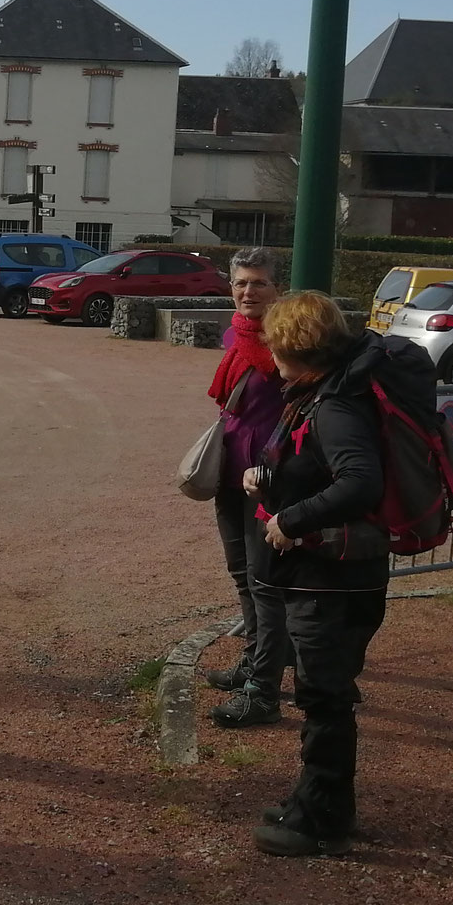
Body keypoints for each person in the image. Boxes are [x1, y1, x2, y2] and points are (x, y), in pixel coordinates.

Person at [244, 292, 390, 857]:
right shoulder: (322, 394)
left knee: (325, 695)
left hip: (332, 581)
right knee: (321, 691)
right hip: (325, 577)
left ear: (293, 347)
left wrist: (289, 517)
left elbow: (359, 482)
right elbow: (324, 471)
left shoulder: (334, 405)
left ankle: (321, 817)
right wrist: (274, 483)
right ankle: (317, 801)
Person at [202, 248, 290, 728]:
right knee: (243, 574)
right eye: (240, 283)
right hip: (231, 473)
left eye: (258, 283)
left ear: (278, 289)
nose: (247, 292)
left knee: (266, 584)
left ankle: (264, 690)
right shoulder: (236, 335)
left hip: (268, 481)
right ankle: (255, 662)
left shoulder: (287, 340)